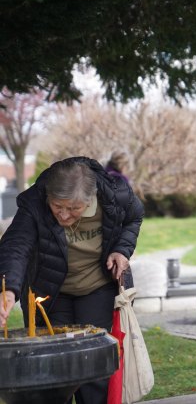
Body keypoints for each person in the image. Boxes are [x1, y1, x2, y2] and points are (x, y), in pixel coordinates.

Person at [0, 156, 144, 404]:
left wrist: (122, 249)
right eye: (58, 206)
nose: (64, 215)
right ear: (48, 196)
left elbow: (134, 217)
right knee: (54, 367)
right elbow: (16, 246)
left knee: (93, 368)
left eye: (73, 209)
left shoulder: (115, 195)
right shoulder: (34, 203)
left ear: (90, 199)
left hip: (96, 288)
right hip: (50, 291)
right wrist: (9, 289)